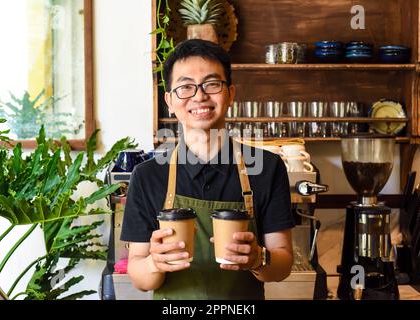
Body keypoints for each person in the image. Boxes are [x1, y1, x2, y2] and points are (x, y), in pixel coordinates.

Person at [121, 39, 294, 300]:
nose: (200, 96)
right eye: (186, 87)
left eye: (212, 84)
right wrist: (153, 264)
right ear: (169, 100)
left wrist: (259, 258)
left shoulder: (267, 169)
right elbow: (139, 274)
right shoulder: (148, 176)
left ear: (231, 94)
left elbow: (282, 263)